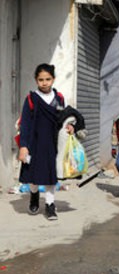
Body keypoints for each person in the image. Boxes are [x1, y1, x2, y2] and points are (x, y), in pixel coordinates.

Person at [18, 63, 74, 220]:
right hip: (34, 143)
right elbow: (26, 124)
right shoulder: (31, 99)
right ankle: (34, 195)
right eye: (41, 79)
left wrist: (69, 126)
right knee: (33, 176)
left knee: (50, 175)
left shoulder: (59, 98)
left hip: (52, 143)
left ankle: (50, 205)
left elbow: (63, 119)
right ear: (36, 80)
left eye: (48, 79)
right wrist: (23, 146)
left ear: (53, 79)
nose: (44, 82)